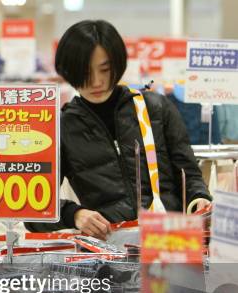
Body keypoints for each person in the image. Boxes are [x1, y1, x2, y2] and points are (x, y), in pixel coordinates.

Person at [26, 20, 211, 239]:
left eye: (104, 69)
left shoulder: (155, 108)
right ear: (69, 71)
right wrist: (74, 214)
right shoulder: (61, 127)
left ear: (118, 64)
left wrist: (199, 199)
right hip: (111, 248)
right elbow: (33, 211)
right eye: (84, 72)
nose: (97, 81)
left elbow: (189, 173)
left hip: (172, 241)